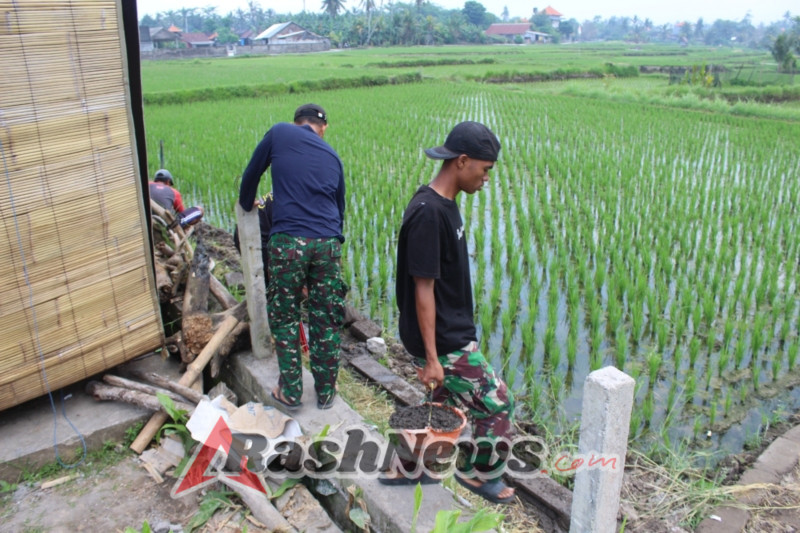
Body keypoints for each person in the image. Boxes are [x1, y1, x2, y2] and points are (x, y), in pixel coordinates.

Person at [390, 121, 516, 504]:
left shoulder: (445, 205)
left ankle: (409, 467)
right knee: (496, 403)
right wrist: (432, 357)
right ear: (462, 161)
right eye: (485, 168)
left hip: (450, 331)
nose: (487, 177)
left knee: (441, 406)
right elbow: (422, 289)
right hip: (441, 339)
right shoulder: (429, 213)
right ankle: (479, 475)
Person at [238, 103, 347, 411]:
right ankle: (326, 391)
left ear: (296, 122)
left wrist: (247, 203)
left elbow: (252, 174)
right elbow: (339, 209)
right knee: (326, 317)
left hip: (289, 241)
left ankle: (291, 391)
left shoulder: (279, 132)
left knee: (285, 315)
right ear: (322, 128)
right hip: (328, 243)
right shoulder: (332, 156)